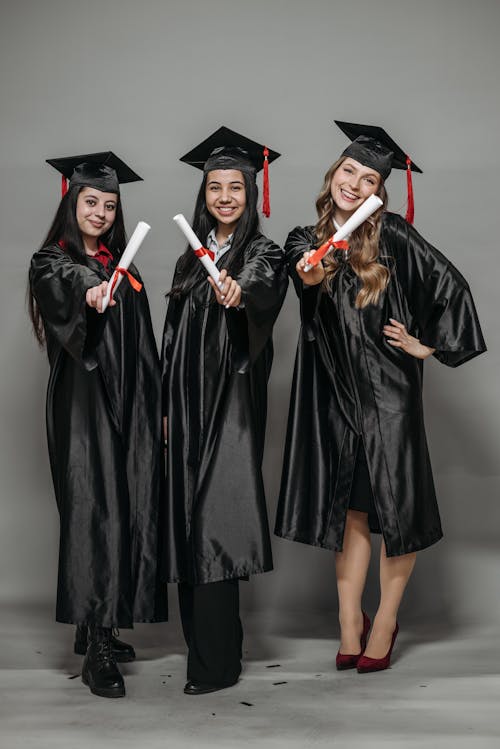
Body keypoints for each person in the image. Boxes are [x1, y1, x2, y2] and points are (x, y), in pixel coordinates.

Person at [275, 122, 486, 673]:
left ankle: (386, 621)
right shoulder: (304, 237)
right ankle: (350, 623)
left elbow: (451, 286)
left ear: (379, 192)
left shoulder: (391, 235)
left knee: (397, 507)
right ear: (332, 175)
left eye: (369, 179)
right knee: (352, 511)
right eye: (349, 171)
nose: (355, 183)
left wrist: (428, 346)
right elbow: (310, 275)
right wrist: (316, 265)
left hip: (390, 395)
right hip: (334, 395)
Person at [29, 152, 167, 698]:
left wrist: (157, 408)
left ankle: (98, 625)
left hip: (130, 405)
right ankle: (99, 651)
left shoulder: (124, 268)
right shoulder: (52, 260)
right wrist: (90, 291)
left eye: (110, 205)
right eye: (91, 202)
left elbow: (146, 346)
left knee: (126, 504)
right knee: (93, 511)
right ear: (72, 201)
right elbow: (65, 284)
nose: (101, 212)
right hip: (84, 406)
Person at [161, 127, 288, 695]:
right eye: (215, 188)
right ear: (204, 195)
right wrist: (164, 406)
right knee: (189, 524)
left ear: (251, 193)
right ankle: (215, 652)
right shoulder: (190, 259)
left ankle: (213, 666)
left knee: (217, 524)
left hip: (230, 408)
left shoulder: (261, 252)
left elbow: (262, 287)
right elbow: (170, 340)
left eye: (235, 187)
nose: (225, 197)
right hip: (185, 411)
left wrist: (239, 291)